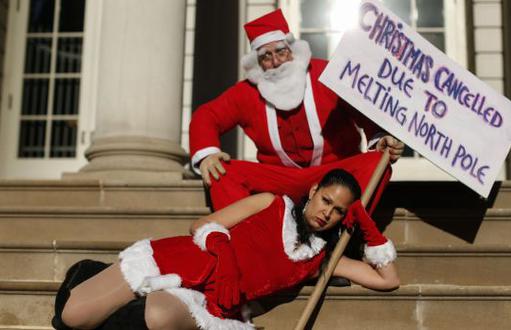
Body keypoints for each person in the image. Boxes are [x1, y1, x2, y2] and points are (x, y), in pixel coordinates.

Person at [54, 169, 399, 330]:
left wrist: (365, 223)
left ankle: (125, 303)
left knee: (157, 319)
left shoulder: (322, 258)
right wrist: (228, 262)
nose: (328, 212)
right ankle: (89, 274)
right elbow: (202, 225)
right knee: (71, 318)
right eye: (326, 200)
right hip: (183, 261)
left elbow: (388, 280)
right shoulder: (270, 203)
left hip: (210, 303)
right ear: (312, 191)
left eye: (339, 210)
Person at [189, 9, 405, 211]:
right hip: (279, 182)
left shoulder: (326, 73)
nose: (276, 61)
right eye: (266, 56)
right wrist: (208, 154)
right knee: (221, 172)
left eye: (281, 52)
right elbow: (207, 115)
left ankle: (346, 232)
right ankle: (246, 238)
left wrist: (379, 138)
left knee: (377, 162)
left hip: (335, 175)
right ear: (258, 63)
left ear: (293, 50)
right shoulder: (247, 92)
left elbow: (363, 108)